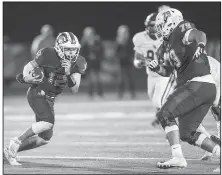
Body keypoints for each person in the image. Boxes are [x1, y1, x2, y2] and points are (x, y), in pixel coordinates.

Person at [149, 8, 220, 171]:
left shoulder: (180, 30)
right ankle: (219, 152)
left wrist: (201, 45)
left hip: (199, 83)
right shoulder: (165, 47)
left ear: (169, 23)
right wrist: (157, 68)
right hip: (199, 87)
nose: (158, 29)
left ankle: (178, 158)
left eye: (160, 25)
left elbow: (198, 34)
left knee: (165, 113)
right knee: (187, 132)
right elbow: (167, 71)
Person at [4, 32, 87, 166]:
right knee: (48, 121)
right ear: (59, 47)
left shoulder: (79, 61)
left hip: (51, 98)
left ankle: (9, 151)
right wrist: (26, 77)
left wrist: (68, 72)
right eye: (68, 49)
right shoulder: (47, 54)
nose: (71, 53)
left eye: (74, 49)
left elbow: (74, 89)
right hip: (37, 92)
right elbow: (28, 67)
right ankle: (16, 142)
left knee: (45, 138)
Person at [132, 12, 175, 127]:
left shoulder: (167, 38)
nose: (151, 28)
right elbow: (137, 58)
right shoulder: (140, 38)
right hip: (151, 75)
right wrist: (138, 63)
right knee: (153, 98)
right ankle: (160, 116)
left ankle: (169, 123)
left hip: (164, 74)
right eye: (150, 25)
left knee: (158, 100)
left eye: (154, 25)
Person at [80, 27, 104, 99]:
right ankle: (90, 94)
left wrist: (97, 56)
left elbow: (101, 51)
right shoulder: (84, 43)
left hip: (96, 63)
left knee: (98, 78)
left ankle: (100, 94)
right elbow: (82, 54)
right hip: (89, 63)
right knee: (90, 79)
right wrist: (88, 57)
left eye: (91, 33)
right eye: (88, 34)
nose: (89, 35)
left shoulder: (97, 42)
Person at [116, 25, 136, 99]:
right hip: (121, 63)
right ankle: (120, 94)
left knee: (130, 79)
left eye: (125, 32)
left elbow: (132, 51)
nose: (124, 34)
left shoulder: (130, 41)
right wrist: (120, 45)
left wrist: (131, 58)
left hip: (129, 63)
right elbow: (116, 52)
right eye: (122, 33)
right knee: (121, 80)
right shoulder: (118, 42)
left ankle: (132, 94)